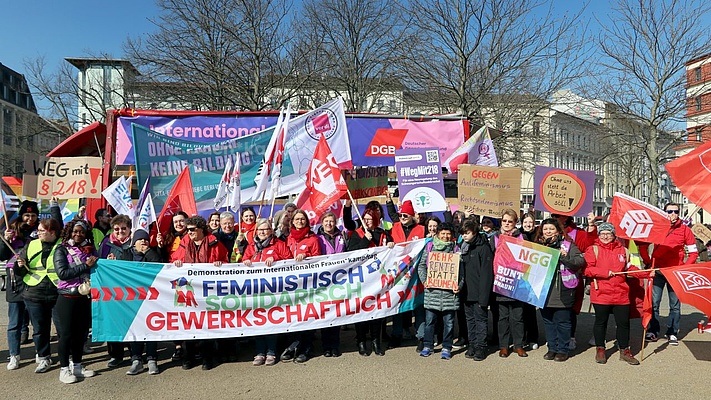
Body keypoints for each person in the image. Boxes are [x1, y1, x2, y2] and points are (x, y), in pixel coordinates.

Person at [583, 222, 648, 365]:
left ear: (614, 235)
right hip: (601, 293)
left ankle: (624, 350)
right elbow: (587, 270)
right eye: (603, 234)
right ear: (599, 235)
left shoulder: (623, 250)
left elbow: (630, 268)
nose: (606, 236)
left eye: (609, 233)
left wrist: (645, 274)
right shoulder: (593, 249)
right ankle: (600, 349)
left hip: (621, 293)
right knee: (601, 322)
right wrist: (605, 273)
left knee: (623, 323)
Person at [172, 216, 228, 370]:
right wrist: (176, 262)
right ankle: (188, 356)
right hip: (189, 289)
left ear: (201, 229)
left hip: (207, 290)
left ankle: (207, 358)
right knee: (189, 322)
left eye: (191, 229)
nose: (188, 232)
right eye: (187, 229)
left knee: (206, 323)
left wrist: (220, 263)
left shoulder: (214, 242)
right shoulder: (184, 242)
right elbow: (174, 259)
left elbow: (226, 260)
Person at [639, 202, 698, 345]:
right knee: (654, 303)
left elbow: (693, 253)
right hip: (657, 271)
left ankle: (672, 332)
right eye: (669, 211)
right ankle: (653, 330)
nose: (672, 214)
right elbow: (643, 247)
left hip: (675, 273)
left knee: (675, 305)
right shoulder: (656, 228)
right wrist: (648, 263)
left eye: (675, 211)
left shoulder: (685, 230)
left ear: (679, 213)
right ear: (664, 212)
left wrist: (683, 268)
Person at [14, 217, 63, 373]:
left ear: (52, 232)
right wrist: (19, 265)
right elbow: (20, 270)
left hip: (58, 291)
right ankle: (43, 357)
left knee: (62, 328)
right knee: (40, 329)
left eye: (42, 230)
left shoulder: (63, 245)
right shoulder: (32, 244)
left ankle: (66, 356)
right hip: (35, 293)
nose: (38, 233)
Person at [243, 218, 292, 366]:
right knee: (258, 321)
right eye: (260, 229)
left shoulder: (278, 244)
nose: (263, 232)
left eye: (266, 229)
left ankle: (271, 351)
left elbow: (289, 260)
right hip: (255, 291)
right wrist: (245, 262)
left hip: (273, 291)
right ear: (256, 231)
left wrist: (275, 258)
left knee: (270, 320)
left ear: (271, 231)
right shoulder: (251, 246)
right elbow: (243, 261)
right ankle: (259, 352)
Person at [53, 220, 98, 383]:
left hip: (84, 298)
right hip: (67, 298)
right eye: (75, 231)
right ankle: (64, 369)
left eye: (82, 232)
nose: (78, 234)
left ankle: (77, 366)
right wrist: (85, 265)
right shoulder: (61, 249)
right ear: (69, 232)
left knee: (81, 335)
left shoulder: (89, 250)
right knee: (66, 335)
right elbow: (62, 273)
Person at [346, 207, 394, 356]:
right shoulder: (357, 234)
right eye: (364, 218)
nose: (367, 221)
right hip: (361, 279)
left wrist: (391, 245)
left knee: (377, 310)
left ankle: (375, 341)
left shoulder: (382, 234)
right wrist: (365, 240)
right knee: (361, 310)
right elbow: (351, 253)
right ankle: (361, 341)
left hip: (377, 279)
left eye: (369, 219)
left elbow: (392, 251)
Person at [536, 218, 585, 362]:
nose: (548, 232)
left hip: (563, 289)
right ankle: (552, 348)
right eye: (545, 229)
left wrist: (564, 258)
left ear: (558, 230)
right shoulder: (538, 246)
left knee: (562, 321)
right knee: (548, 321)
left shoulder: (568, 245)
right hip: (544, 290)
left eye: (551, 229)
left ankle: (563, 349)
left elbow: (579, 262)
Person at [1, 200, 40, 370]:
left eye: (33, 215)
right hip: (15, 280)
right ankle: (14, 355)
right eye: (27, 215)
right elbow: (2, 255)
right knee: (15, 321)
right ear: (21, 215)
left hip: (35, 278)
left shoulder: (42, 230)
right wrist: (5, 241)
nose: (30, 219)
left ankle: (41, 352)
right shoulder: (11, 230)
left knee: (38, 320)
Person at [118, 229, 163, 375]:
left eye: (145, 240)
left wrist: (149, 252)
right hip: (132, 299)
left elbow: (158, 266)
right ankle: (136, 360)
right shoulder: (126, 254)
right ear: (134, 242)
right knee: (135, 329)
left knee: (150, 328)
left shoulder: (153, 252)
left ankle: (151, 359)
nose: (143, 242)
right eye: (140, 240)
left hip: (150, 298)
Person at [418, 223, 464, 360]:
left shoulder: (456, 249)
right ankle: (428, 345)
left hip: (450, 294)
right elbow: (421, 266)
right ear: (437, 234)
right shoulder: (430, 247)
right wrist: (425, 281)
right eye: (443, 233)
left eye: (448, 233)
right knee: (430, 321)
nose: (445, 236)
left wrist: (459, 286)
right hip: (433, 292)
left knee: (449, 323)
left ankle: (446, 347)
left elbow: (461, 273)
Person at [552, 212, 596, 350]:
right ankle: (554, 338)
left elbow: (590, 244)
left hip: (570, 278)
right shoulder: (548, 230)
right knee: (552, 309)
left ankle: (570, 337)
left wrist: (591, 225)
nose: (559, 218)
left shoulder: (578, 233)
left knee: (570, 309)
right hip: (551, 279)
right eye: (556, 216)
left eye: (561, 215)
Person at [281, 210, 321, 363]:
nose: (300, 221)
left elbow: (319, 259)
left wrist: (307, 257)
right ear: (292, 222)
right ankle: (293, 346)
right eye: (297, 219)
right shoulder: (288, 238)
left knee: (307, 315)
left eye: (302, 219)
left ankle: (306, 348)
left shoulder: (313, 238)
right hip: (291, 285)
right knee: (293, 315)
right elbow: (283, 256)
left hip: (308, 284)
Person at [99, 215, 134, 368]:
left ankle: (135, 353)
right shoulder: (107, 243)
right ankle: (115, 355)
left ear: (129, 229)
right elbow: (99, 262)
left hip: (131, 289)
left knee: (131, 322)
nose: (120, 231)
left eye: (123, 228)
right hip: (111, 290)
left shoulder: (134, 242)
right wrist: (107, 262)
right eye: (117, 229)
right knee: (113, 322)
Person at [493, 209, 528, 358]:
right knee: (503, 317)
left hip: (517, 281)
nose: (507, 224)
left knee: (518, 316)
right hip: (501, 281)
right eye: (504, 221)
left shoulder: (522, 236)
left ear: (515, 223)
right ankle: (504, 346)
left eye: (510, 221)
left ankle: (518, 345)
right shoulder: (494, 237)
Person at [460, 218, 494, 361]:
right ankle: (472, 344)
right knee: (470, 320)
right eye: (462, 234)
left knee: (480, 320)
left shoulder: (483, 248)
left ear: (474, 232)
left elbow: (487, 274)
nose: (464, 236)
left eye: (467, 233)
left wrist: (484, 297)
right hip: (466, 291)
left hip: (479, 292)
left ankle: (481, 346)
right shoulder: (463, 247)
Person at [316, 212, 348, 357]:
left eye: (331, 221)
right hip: (323, 281)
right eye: (326, 221)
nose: (329, 224)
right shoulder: (318, 238)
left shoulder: (342, 236)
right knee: (325, 313)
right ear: (322, 223)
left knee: (336, 312)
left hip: (339, 280)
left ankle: (335, 345)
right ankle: (326, 346)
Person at [519, 212, 539, 349]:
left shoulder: (539, 235)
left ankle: (533, 337)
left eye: (530, 222)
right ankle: (522, 338)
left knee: (530, 309)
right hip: (519, 276)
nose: (527, 225)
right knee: (519, 311)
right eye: (525, 222)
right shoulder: (517, 235)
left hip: (534, 275)